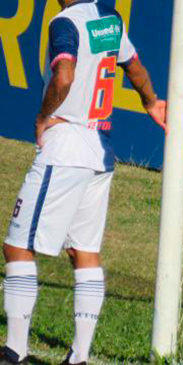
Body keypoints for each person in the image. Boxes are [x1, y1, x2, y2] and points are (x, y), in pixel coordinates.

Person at [1, 0, 166, 363]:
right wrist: (151, 101)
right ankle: (80, 357)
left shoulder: (65, 23)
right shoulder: (109, 18)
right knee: (83, 252)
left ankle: (13, 351)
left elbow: (64, 75)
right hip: (99, 150)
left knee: (17, 247)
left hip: (66, 147)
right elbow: (134, 66)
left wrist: (45, 116)